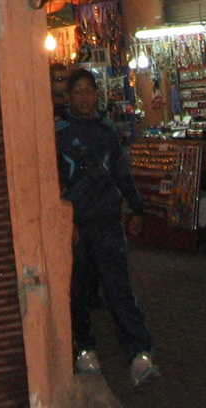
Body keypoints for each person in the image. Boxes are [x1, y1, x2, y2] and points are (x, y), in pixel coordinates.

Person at [56, 68, 161, 386]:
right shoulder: (58, 133)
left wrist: (135, 205)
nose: (85, 97)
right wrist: (64, 220)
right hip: (75, 226)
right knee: (76, 291)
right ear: (69, 97)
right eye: (79, 91)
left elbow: (120, 170)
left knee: (119, 289)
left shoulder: (107, 130)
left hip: (107, 222)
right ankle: (84, 349)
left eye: (90, 90)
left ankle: (139, 355)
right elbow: (54, 181)